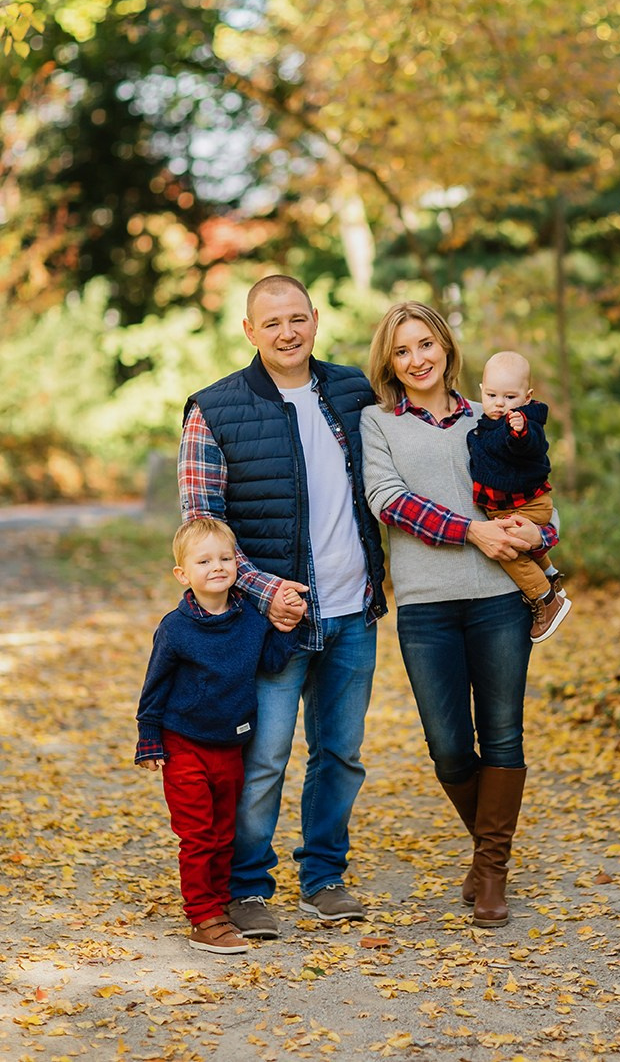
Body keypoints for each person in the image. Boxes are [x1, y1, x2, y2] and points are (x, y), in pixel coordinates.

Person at [177, 275, 387, 937]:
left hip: (352, 610)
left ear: (316, 318)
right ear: (248, 330)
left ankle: (324, 877)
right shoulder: (214, 409)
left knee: (341, 750)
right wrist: (268, 592)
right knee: (264, 755)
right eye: (272, 323)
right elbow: (198, 526)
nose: (287, 332)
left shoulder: (354, 391)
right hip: (269, 624)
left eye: (298, 317)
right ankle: (246, 887)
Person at [360, 301, 558, 928]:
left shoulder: (494, 413)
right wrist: (474, 532)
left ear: (446, 348)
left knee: (502, 734)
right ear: (389, 361)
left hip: (499, 598)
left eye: (426, 344)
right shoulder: (378, 421)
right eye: (402, 350)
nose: (417, 359)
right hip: (426, 605)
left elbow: (538, 490)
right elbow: (388, 500)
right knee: (448, 748)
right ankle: (487, 851)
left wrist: (538, 536)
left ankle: (492, 872)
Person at [135, 518, 299, 955]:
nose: (218, 567)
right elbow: (155, 685)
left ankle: (221, 902)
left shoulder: (249, 618)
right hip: (183, 743)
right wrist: (149, 737)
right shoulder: (176, 627)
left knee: (225, 832)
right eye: (204, 560)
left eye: (226, 558)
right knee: (199, 835)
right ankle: (202, 916)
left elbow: (272, 662)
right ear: (183, 574)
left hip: (230, 745)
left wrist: (288, 626)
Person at [468, 350, 572, 644]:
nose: (500, 403)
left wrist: (522, 431)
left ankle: (547, 601)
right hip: (512, 506)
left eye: (510, 397)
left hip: (527, 504)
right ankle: (551, 575)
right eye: (492, 395)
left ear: (527, 397)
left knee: (509, 552)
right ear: (481, 391)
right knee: (516, 542)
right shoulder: (486, 420)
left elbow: (532, 445)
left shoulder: (521, 422)